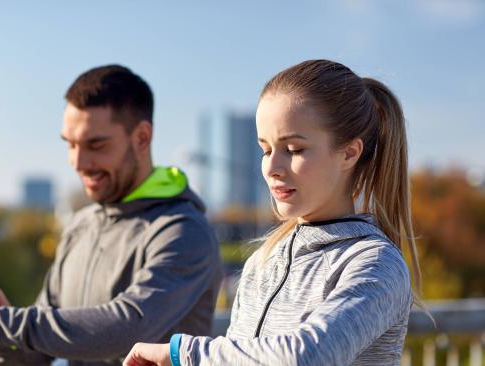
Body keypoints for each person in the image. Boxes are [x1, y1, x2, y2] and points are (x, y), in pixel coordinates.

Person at [124, 59, 423, 366]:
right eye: (265, 149)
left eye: (293, 149)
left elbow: (307, 356)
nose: (272, 168)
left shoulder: (374, 262)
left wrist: (182, 354)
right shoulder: (263, 261)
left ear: (349, 152)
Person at [0, 65, 223, 366]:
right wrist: (3, 339)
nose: (78, 162)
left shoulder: (183, 231)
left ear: (142, 138)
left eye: (96, 144)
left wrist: (1, 324)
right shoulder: (81, 226)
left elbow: (129, 328)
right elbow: (35, 359)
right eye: (70, 144)